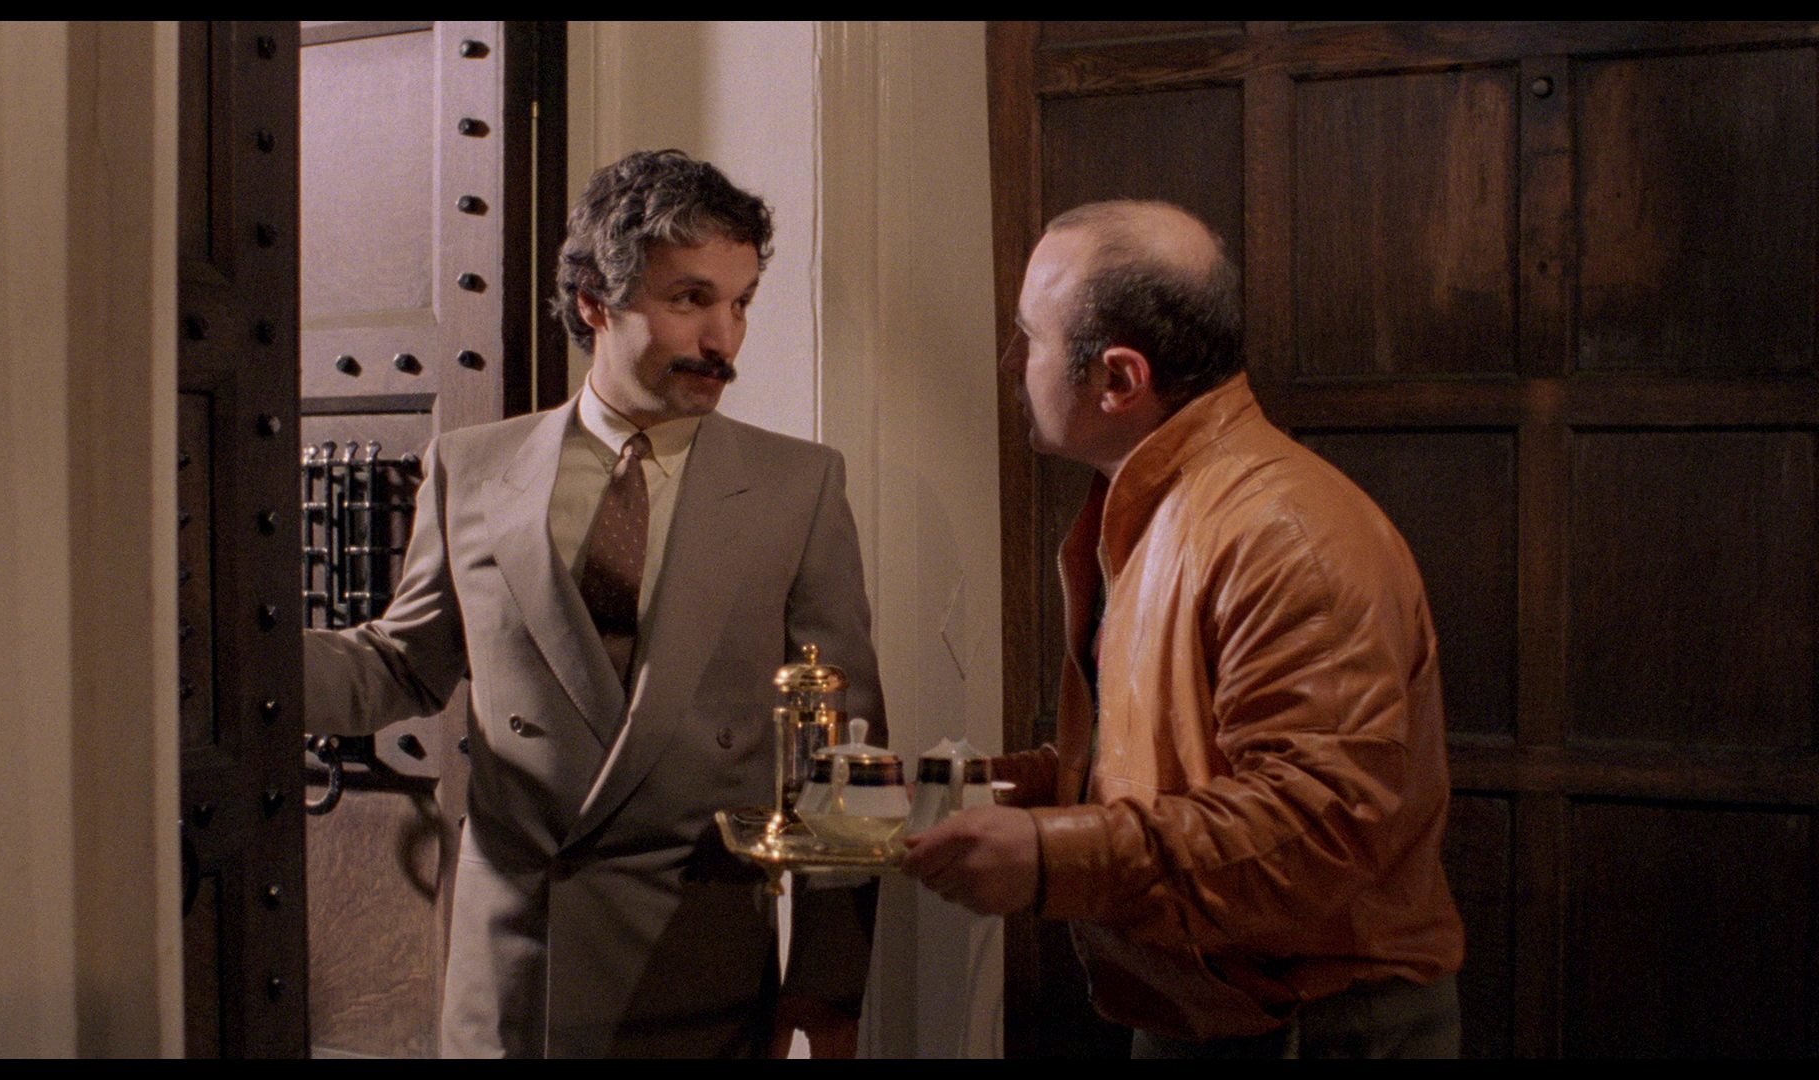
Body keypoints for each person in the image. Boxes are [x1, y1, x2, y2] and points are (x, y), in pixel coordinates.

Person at [305, 149, 885, 1058]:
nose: (723, 339)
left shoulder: (797, 487)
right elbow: (401, 665)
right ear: (594, 303)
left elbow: (845, 746)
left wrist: (828, 975)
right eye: (690, 299)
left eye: (740, 304)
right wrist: (235, 661)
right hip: (514, 981)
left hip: (697, 969)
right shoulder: (471, 468)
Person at [901, 199, 1465, 1058]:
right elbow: (1146, 764)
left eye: (1029, 337)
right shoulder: (1163, 501)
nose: (1011, 362)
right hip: (1212, 1007)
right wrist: (959, 789)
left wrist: (1048, 857)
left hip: (1312, 1025)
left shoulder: (1284, 534)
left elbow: (1316, 830)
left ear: (1119, 380)